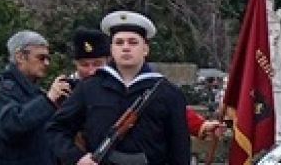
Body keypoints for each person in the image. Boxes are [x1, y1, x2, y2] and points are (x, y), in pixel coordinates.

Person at [46, 11, 191, 165]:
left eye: (133, 42)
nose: (126, 48)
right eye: (119, 42)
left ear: (145, 49)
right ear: (112, 49)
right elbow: (56, 129)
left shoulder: (167, 93)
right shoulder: (89, 88)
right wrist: (76, 157)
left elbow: (180, 149)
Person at [67, 27, 222, 140]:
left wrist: (201, 126)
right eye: (84, 64)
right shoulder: (66, 90)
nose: (91, 70)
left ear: (109, 60)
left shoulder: (124, 82)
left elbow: (164, 108)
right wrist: (51, 100)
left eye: (97, 63)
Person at [0, 30, 72, 165]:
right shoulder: (0, 88)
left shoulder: (34, 91)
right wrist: (48, 100)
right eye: (41, 58)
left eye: (48, 58)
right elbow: (9, 125)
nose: (47, 63)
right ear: (20, 57)